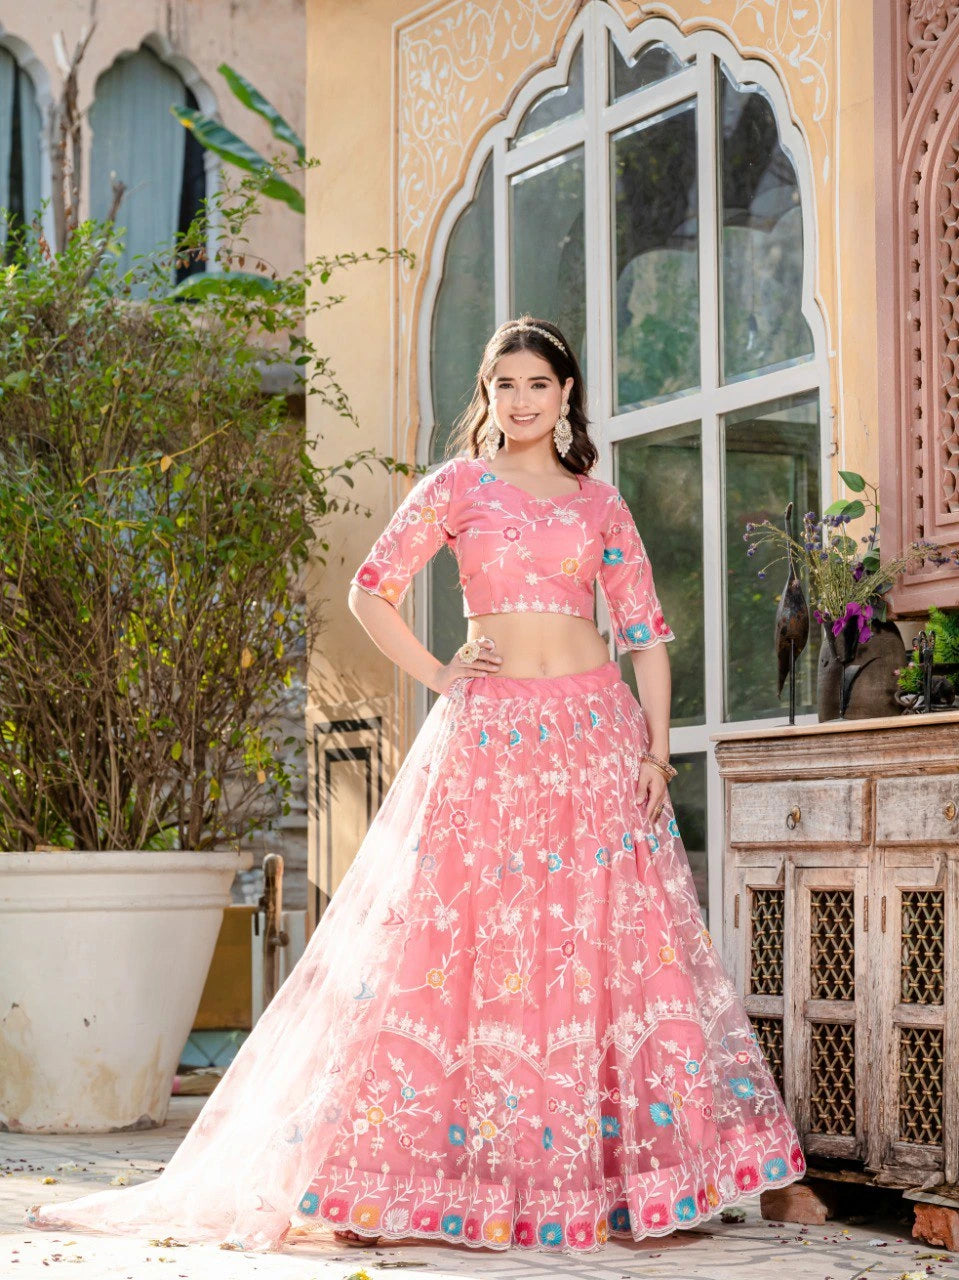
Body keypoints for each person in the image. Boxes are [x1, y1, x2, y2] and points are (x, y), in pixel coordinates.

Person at [26, 316, 805, 1258]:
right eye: (504, 385)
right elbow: (369, 587)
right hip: (490, 733)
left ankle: (638, 1176)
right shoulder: (458, 486)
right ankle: (387, 1177)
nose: (520, 402)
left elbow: (643, 633)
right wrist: (441, 674)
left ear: (567, 397)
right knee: (452, 937)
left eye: (537, 386)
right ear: (488, 396)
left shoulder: (599, 503)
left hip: (597, 732)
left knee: (610, 938)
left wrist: (653, 752)